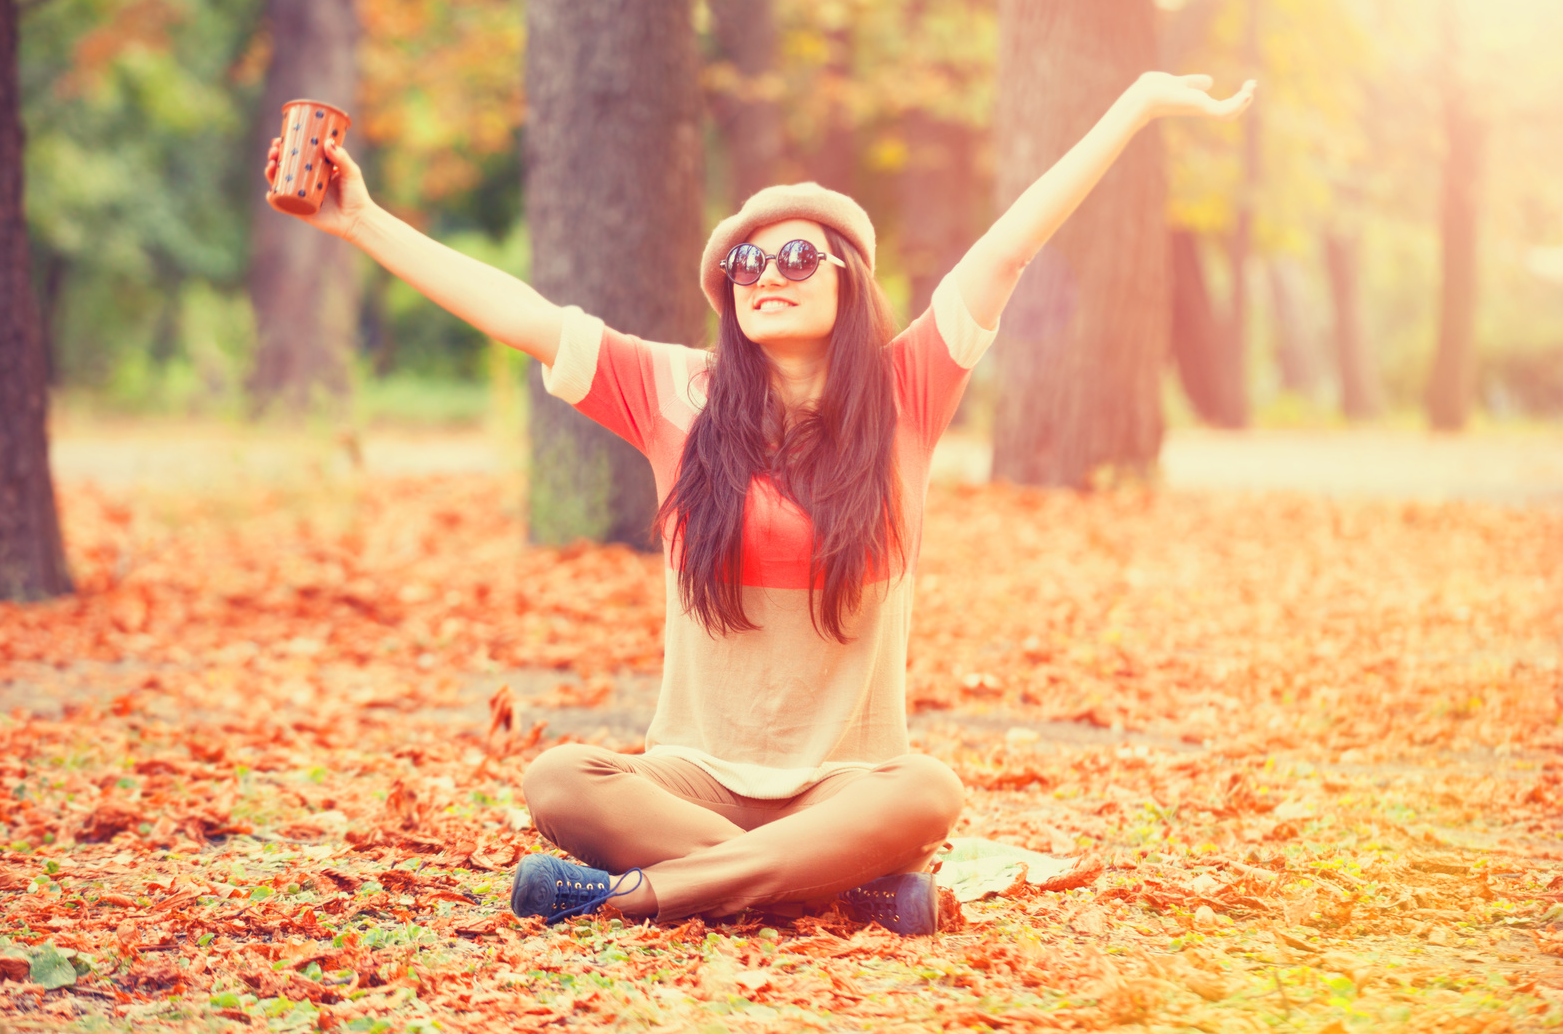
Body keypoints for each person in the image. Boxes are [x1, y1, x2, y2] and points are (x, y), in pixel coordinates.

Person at [264, 71, 1254, 935]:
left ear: (847, 282)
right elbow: (515, 313)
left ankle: (628, 900)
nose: (764, 275)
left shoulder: (906, 392)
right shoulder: (676, 396)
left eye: (794, 259)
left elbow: (1009, 249)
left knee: (930, 790)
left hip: (847, 785)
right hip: (690, 781)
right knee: (557, 781)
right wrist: (358, 218)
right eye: (744, 263)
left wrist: (1133, 107)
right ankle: (848, 896)